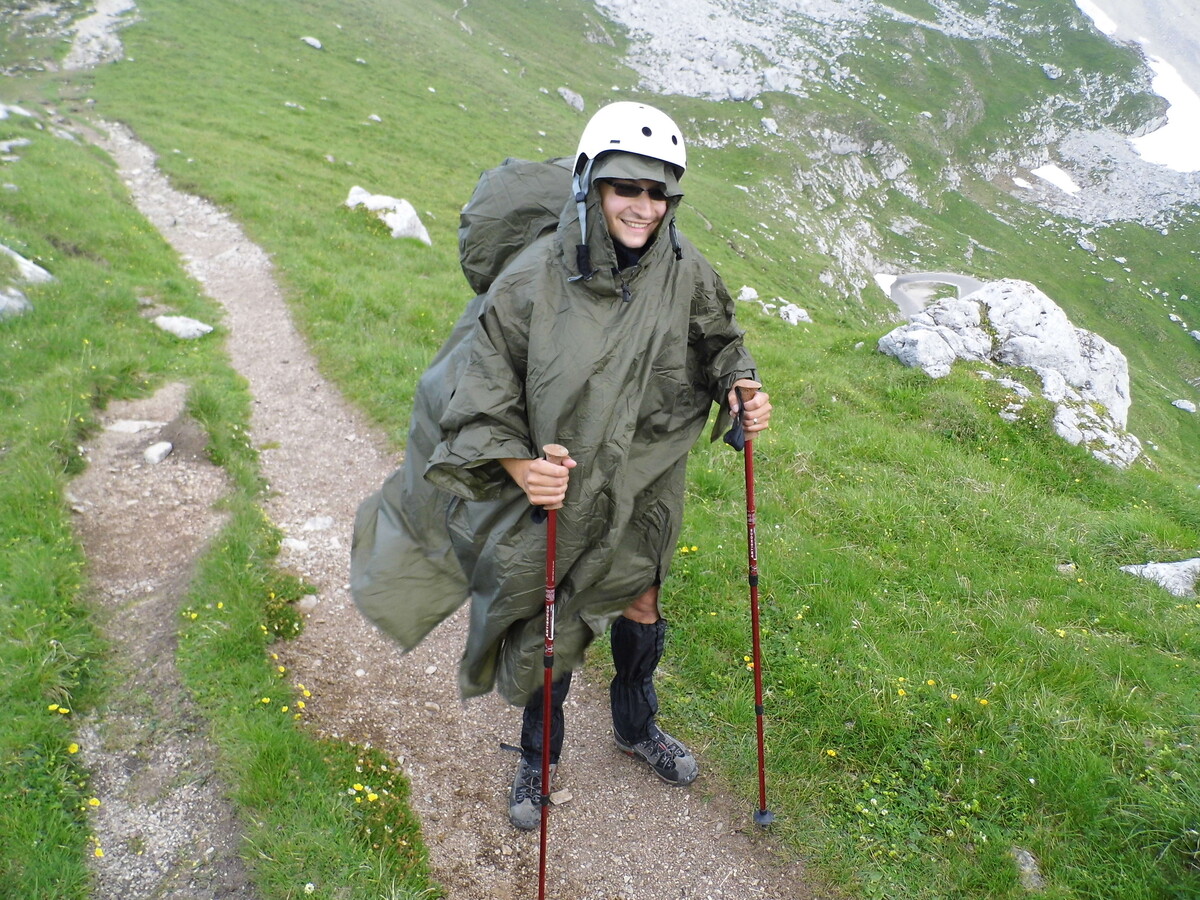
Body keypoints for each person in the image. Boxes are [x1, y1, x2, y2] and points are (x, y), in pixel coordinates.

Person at [350, 101, 772, 832]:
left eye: (659, 191)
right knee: (552, 623)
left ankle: (636, 725)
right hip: (559, 485)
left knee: (642, 597)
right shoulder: (530, 280)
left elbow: (720, 340)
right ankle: (537, 757)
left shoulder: (683, 267)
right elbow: (482, 391)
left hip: (643, 477)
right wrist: (518, 466)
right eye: (626, 187)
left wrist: (740, 387)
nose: (643, 206)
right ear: (589, 183)